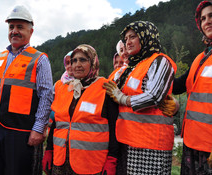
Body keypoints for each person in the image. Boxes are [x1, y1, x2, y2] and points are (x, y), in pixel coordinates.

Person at [0, 5, 53, 175]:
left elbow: (46, 94)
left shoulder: (39, 59)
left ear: (31, 31)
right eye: (11, 27)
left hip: (19, 131)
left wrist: (39, 128)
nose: (14, 31)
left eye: (20, 27)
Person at [103, 21, 177, 174]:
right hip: (127, 141)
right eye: (126, 39)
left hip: (151, 145)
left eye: (133, 37)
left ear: (146, 37)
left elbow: (154, 96)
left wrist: (122, 98)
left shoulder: (160, 61)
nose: (128, 42)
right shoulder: (132, 66)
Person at [42, 44, 119, 175]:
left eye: (83, 60)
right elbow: (57, 123)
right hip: (60, 162)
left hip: (90, 164)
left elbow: (114, 128)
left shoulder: (105, 88)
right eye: (74, 61)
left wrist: (112, 158)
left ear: (93, 62)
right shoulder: (66, 88)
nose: (77, 64)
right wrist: (49, 150)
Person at [172, 1, 212, 174]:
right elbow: (177, 85)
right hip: (192, 144)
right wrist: (154, 68)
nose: (207, 21)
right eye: (203, 18)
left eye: (211, 16)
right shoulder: (199, 59)